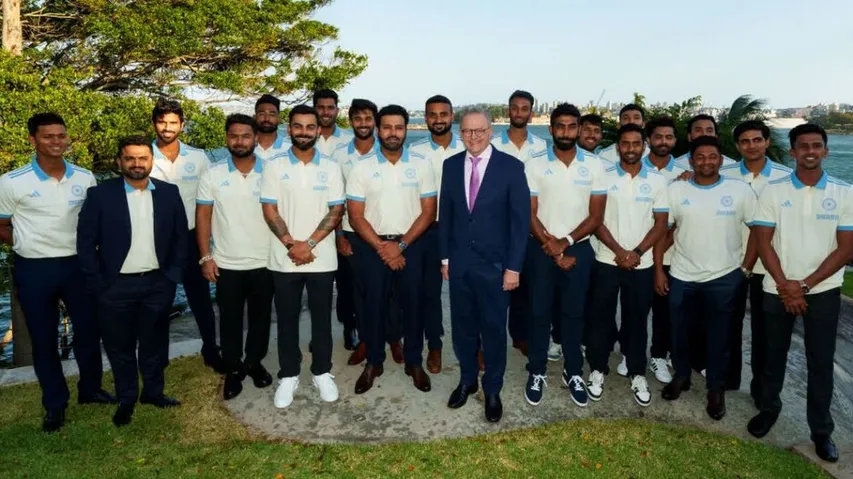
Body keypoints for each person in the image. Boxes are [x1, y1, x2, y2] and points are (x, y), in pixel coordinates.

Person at [0, 113, 115, 432]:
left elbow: (94, 222)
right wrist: (26, 243)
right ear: (32, 140)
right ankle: (54, 404)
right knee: (43, 338)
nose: (56, 142)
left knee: (90, 331)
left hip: (78, 266)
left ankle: (90, 389)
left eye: (61, 136)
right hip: (34, 269)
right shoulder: (12, 181)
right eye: (48, 136)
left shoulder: (85, 177)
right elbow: (1, 225)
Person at [747, 124, 851, 463]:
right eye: (803, 146)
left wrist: (803, 286)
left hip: (822, 291)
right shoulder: (773, 192)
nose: (810, 151)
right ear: (792, 152)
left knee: (820, 362)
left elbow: (845, 250)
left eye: (817, 145)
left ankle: (821, 431)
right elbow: (763, 242)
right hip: (776, 287)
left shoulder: (845, 192)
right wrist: (784, 284)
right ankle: (768, 409)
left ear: (826, 151)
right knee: (772, 357)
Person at [77, 136, 188, 427]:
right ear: (119, 162)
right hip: (114, 287)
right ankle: (126, 398)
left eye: (143, 158)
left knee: (154, 342)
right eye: (130, 158)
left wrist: (172, 275)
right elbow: (85, 244)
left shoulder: (169, 193)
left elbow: (180, 238)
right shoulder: (100, 195)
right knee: (119, 346)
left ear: (152, 160)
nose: (137, 164)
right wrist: (97, 282)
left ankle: (153, 393)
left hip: (157, 283)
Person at [440, 108, 530, 422]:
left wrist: (513, 267)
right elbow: (447, 215)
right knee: (463, 330)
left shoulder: (511, 167)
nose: (473, 137)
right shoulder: (450, 166)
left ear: (491, 131)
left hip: (495, 267)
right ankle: (467, 381)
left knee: (493, 330)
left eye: (479, 131)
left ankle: (492, 389)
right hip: (460, 264)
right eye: (466, 131)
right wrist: (445, 258)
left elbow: (521, 223)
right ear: (460, 132)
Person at [657, 136, 756, 421]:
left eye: (712, 156)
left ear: (721, 159)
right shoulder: (676, 190)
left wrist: (745, 270)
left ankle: (715, 388)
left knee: (720, 337)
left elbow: (759, 232)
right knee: (680, 332)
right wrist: (659, 269)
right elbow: (665, 232)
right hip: (682, 275)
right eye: (700, 157)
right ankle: (682, 376)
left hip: (724, 277)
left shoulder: (740, 191)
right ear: (691, 161)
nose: (706, 162)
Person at [346, 105, 437, 395]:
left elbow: (428, 212)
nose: (393, 133)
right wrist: (383, 248)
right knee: (373, 307)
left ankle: (414, 361)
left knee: (414, 306)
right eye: (387, 127)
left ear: (406, 129)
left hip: (412, 245)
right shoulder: (361, 167)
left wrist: (399, 246)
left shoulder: (423, 164)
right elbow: (355, 215)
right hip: (372, 246)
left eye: (399, 127)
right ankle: (374, 362)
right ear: (378, 129)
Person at [261, 105, 345, 409]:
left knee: (322, 319)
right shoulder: (273, 166)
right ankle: (289, 374)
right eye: (298, 127)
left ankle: (322, 371)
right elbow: (269, 209)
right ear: (289, 129)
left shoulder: (332, 168)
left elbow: (336, 211)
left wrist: (308, 244)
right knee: (286, 319)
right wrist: (290, 244)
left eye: (310, 127)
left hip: (321, 258)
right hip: (284, 259)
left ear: (318, 131)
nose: (304, 132)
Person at [523, 104, 606, 407]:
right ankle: (536, 371)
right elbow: (529, 212)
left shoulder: (595, 166)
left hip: (579, 249)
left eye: (573, 127)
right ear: (551, 129)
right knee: (539, 314)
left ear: (580, 129)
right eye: (561, 126)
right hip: (540, 247)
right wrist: (552, 247)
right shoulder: (534, 164)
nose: (566, 132)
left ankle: (573, 372)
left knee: (574, 315)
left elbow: (596, 216)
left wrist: (567, 241)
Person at [584, 123, 668, 407]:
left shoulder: (658, 181)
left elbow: (661, 224)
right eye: (625, 143)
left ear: (643, 146)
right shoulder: (603, 177)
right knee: (600, 318)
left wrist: (637, 252)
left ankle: (636, 372)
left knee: (636, 321)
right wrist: (620, 251)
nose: (630, 149)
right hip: (607, 260)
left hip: (640, 265)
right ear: (617, 146)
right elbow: (595, 221)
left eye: (635, 144)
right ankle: (597, 369)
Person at [196, 114, 274, 401]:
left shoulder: (272, 171)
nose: (239, 141)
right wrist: (206, 257)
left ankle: (254, 363)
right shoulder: (212, 174)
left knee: (261, 318)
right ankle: (232, 369)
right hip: (226, 263)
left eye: (245, 135)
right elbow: (203, 216)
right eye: (233, 135)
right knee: (228, 320)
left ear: (255, 138)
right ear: (226, 138)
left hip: (265, 262)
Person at [148, 97, 224, 373]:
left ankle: (210, 348)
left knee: (200, 297)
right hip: (156, 240)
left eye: (172, 122)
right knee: (159, 301)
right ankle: (158, 356)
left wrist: (210, 243)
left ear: (182, 124)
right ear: (154, 123)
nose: (167, 128)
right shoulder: (144, 155)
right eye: (162, 122)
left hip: (192, 238)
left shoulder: (198, 156)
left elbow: (209, 200)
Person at [719, 120, 791, 399]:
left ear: (767, 142)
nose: (752, 146)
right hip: (729, 263)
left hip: (768, 267)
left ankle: (762, 391)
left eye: (757, 140)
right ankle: (727, 380)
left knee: (766, 334)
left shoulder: (786, 177)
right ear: (738, 146)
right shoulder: (723, 174)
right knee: (727, 326)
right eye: (745, 141)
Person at [409, 95, 466, 374]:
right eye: (433, 114)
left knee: (470, 292)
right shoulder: (416, 152)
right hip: (429, 231)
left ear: (452, 115)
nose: (439, 119)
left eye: (444, 113)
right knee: (429, 292)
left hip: (464, 231)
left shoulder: (470, 147)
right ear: (425, 117)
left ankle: (473, 345)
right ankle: (434, 344)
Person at [491, 90, 547, 356]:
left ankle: (519, 335)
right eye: (515, 108)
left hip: (529, 225)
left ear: (531, 113)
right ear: (508, 111)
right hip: (497, 225)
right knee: (494, 286)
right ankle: (489, 339)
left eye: (525, 108)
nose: (519, 113)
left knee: (524, 285)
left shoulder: (541, 147)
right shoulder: (493, 144)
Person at [643, 117, 690, 384]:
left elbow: (681, 220)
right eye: (658, 137)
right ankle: (631, 353)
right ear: (649, 139)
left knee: (665, 312)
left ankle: (659, 355)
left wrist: (657, 255)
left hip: (669, 256)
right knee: (634, 310)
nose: (663, 142)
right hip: (633, 253)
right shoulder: (632, 166)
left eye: (669, 137)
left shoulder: (686, 173)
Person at [331, 99, 379, 362]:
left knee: (383, 290)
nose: (363, 124)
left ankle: (388, 336)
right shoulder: (338, 154)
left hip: (382, 232)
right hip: (349, 231)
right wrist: (338, 235)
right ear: (351, 121)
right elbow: (336, 199)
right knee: (351, 288)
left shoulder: (387, 150)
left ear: (375, 121)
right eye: (358, 119)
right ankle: (355, 332)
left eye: (368, 118)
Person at [314, 89, 354, 157]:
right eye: (321, 107)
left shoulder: (352, 140)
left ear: (337, 110)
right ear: (313, 110)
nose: (325, 112)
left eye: (330, 108)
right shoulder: (303, 139)